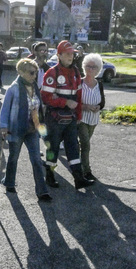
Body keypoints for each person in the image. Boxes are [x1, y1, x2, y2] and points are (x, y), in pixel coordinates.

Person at [40, 40, 94, 190]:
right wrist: (64, 102)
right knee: (53, 148)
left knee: (73, 147)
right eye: (67, 54)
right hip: (54, 118)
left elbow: (78, 96)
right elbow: (45, 97)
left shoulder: (76, 72)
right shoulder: (52, 73)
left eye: (72, 54)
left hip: (70, 118)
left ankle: (78, 178)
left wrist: (78, 116)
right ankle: (49, 176)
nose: (71, 56)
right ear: (59, 55)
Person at [0, 58, 51, 202]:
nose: (35, 76)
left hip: (32, 129)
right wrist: (3, 126)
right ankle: (9, 182)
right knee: (13, 158)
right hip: (17, 129)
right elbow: (5, 109)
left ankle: (42, 191)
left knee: (36, 160)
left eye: (35, 73)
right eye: (31, 73)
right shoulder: (13, 88)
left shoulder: (35, 87)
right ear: (21, 72)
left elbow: (39, 106)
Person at [78, 53, 106, 182]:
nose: (91, 69)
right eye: (88, 66)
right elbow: (74, 102)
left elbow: (102, 102)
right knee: (85, 145)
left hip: (93, 120)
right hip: (81, 118)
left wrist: (98, 107)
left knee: (83, 145)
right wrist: (85, 106)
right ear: (84, 67)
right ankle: (86, 171)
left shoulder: (99, 84)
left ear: (98, 69)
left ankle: (77, 164)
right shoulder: (79, 83)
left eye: (94, 67)